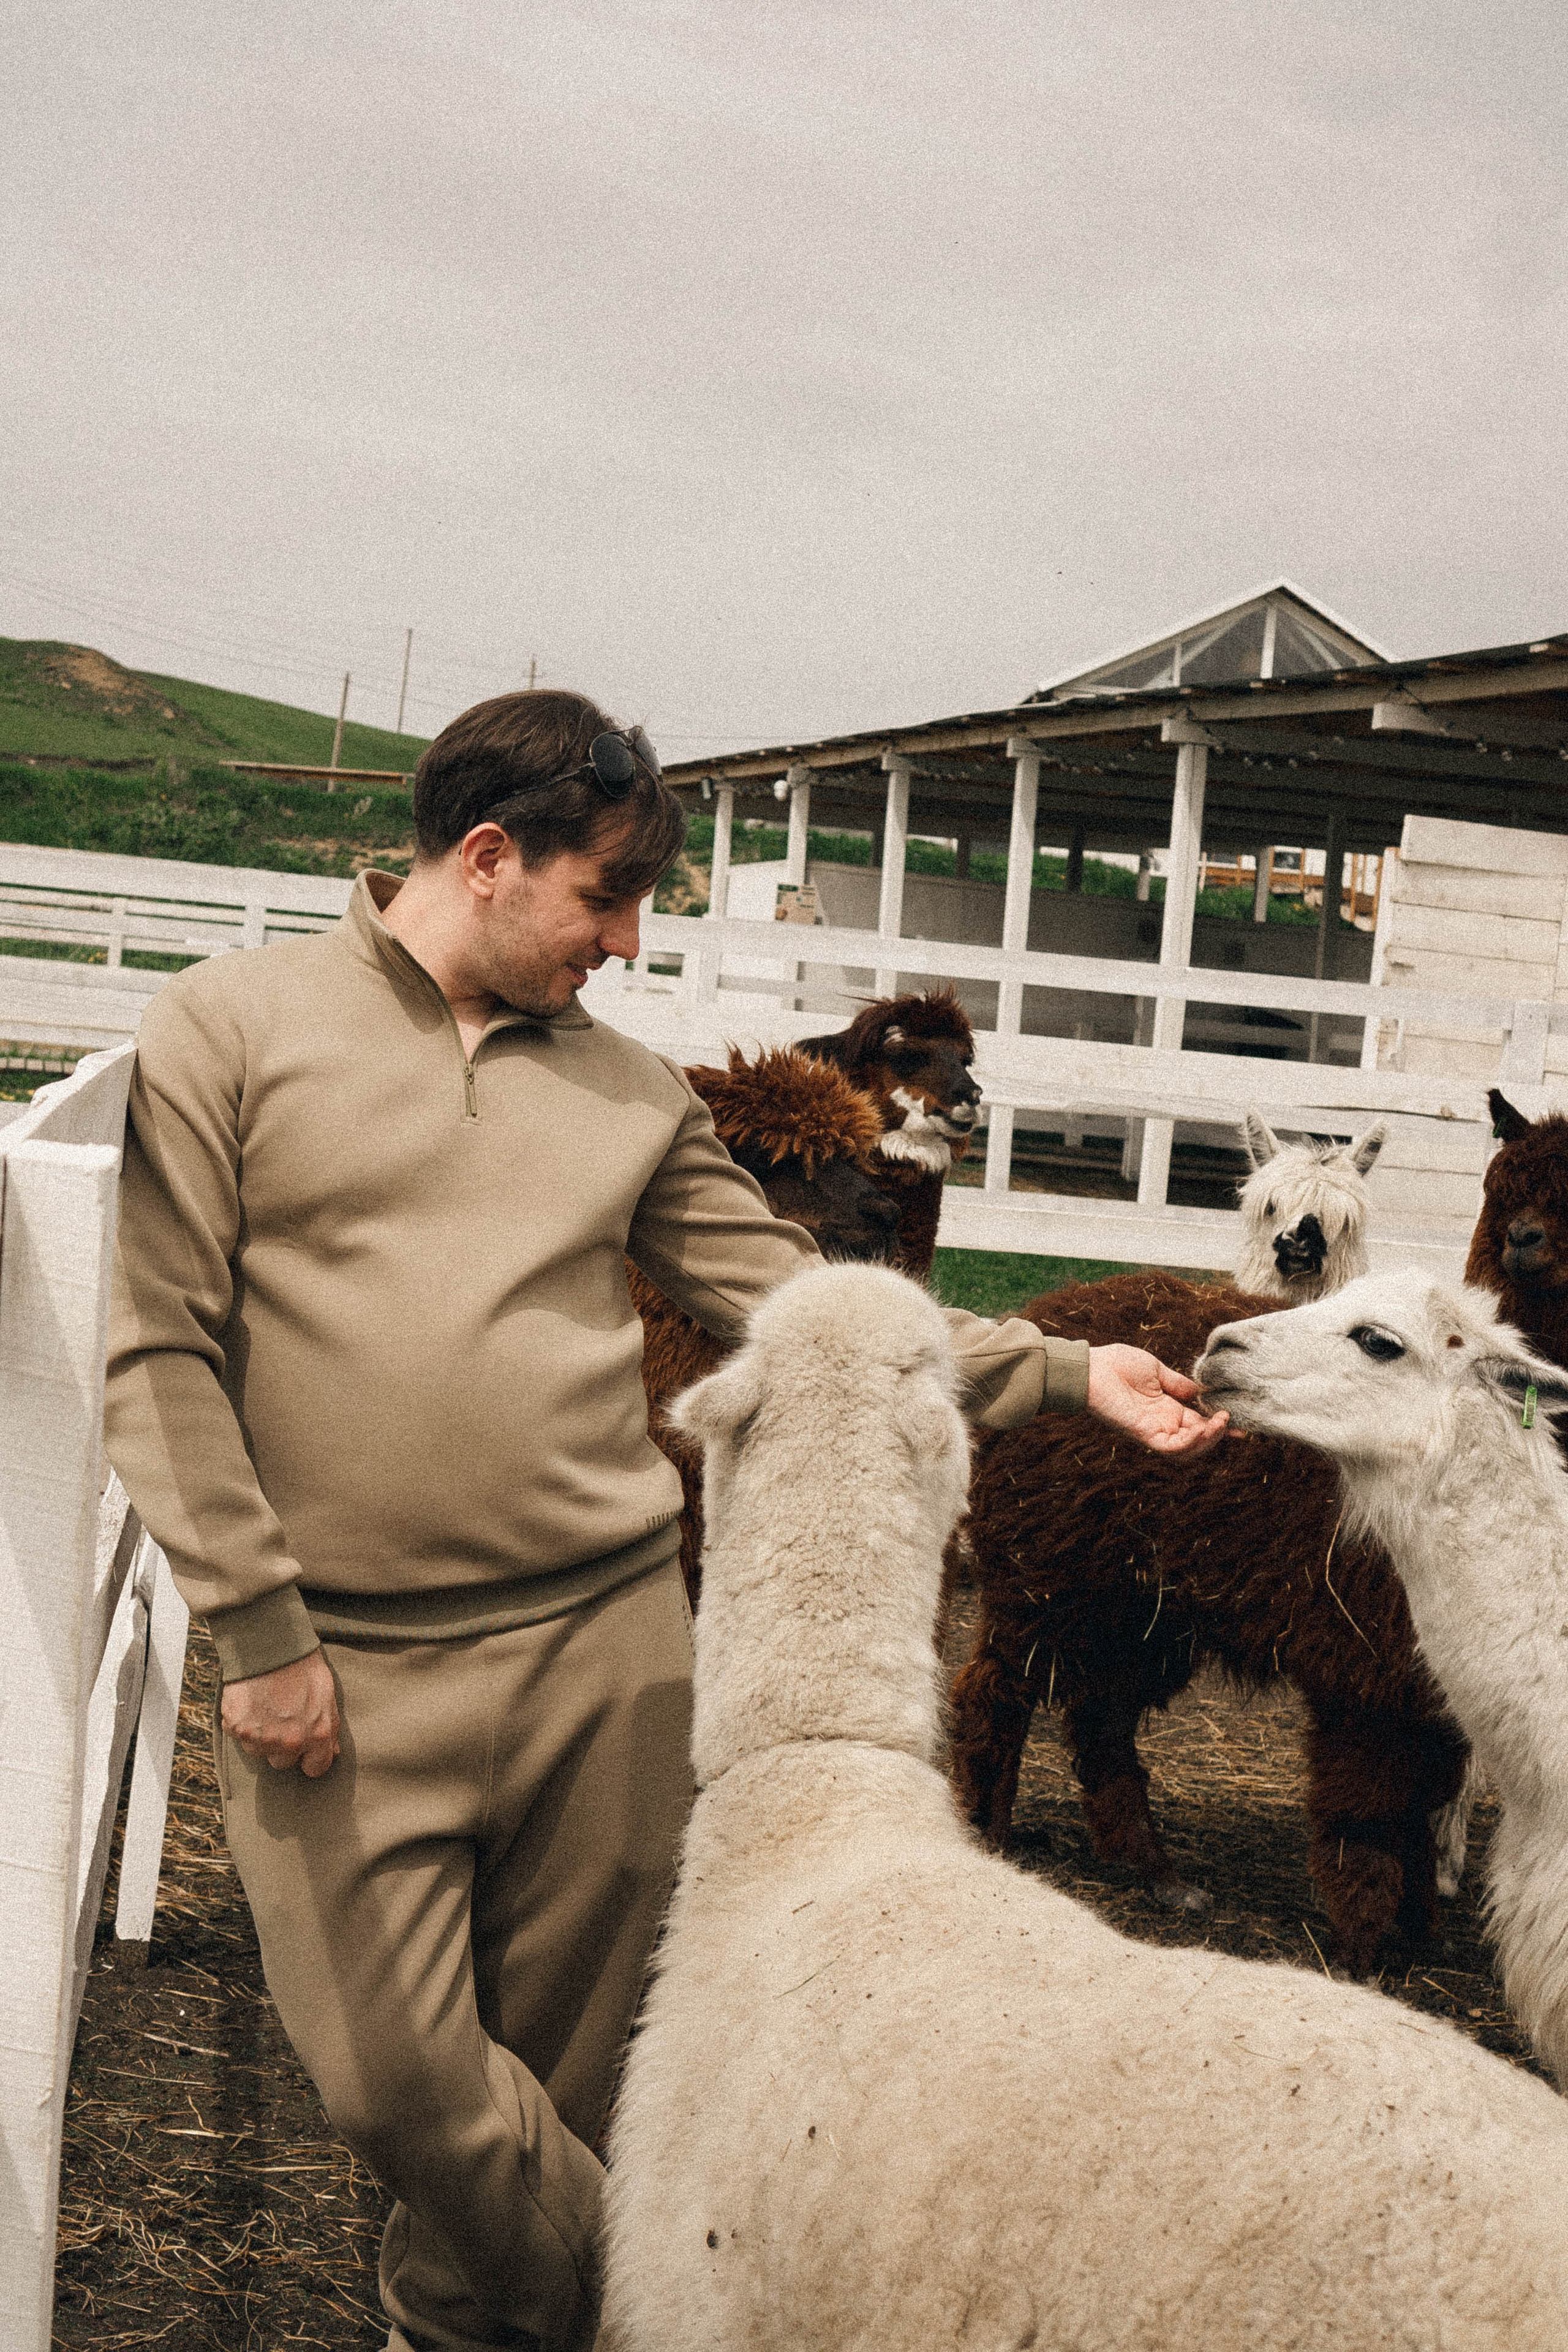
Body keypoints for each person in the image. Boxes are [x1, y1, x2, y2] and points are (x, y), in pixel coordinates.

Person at [105, 688, 1227, 2352]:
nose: (629, 943)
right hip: (337, 1667)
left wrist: (1064, 1374)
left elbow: (796, 1297)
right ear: (487, 859)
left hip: (607, 1651)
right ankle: (661, 2307)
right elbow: (158, 1347)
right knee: (400, 2085)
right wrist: (259, 1632)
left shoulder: (628, 1095)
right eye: (605, 898)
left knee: (576, 2075)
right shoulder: (229, 1033)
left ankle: (459, 2331)